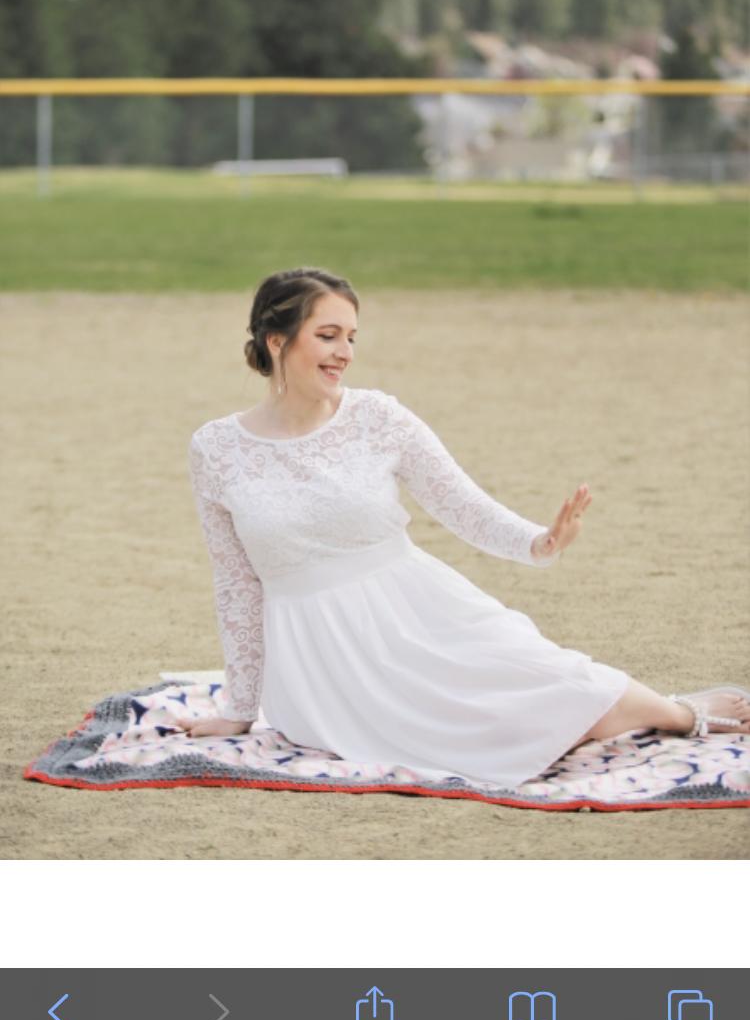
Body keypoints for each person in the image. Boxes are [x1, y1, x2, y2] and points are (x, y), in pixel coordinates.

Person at [179, 266, 750, 786]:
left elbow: (462, 505)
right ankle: (658, 709)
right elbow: (235, 585)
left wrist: (539, 542)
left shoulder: (378, 417)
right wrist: (239, 708)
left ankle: (678, 712)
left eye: (352, 337)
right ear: (276, 341)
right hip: (320, 666)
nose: (345, 352)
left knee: (555, 687)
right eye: (328, 335)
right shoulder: (216, 448)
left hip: (417, 615)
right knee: (474, 741)